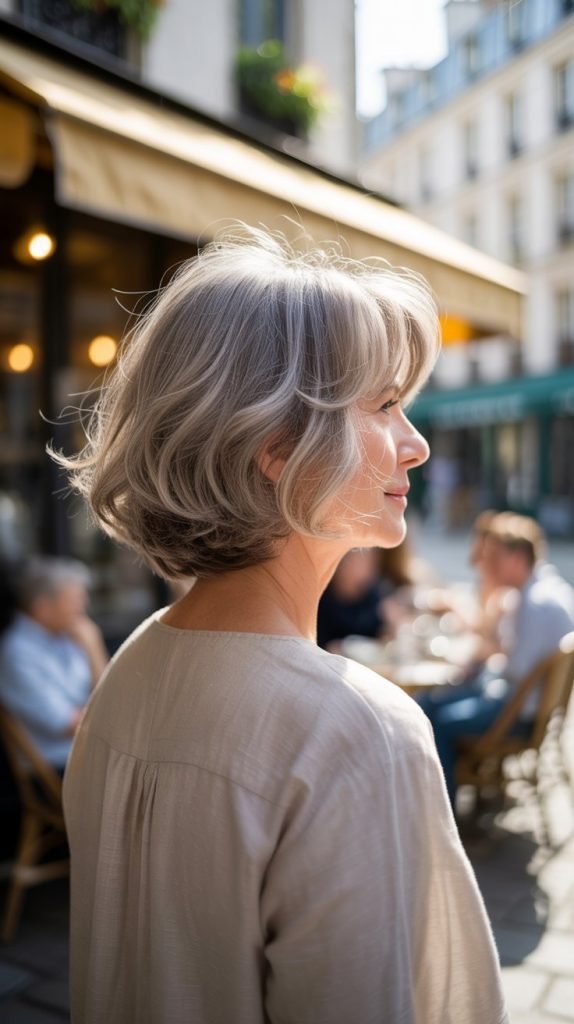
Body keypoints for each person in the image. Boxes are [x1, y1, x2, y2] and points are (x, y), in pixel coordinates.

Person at [55, 228, 508, 1024]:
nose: (417, 443)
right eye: (386, 404)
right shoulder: (356, 731)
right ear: (277, 442)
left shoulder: (134, 665)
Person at [420, 513, 574, 804]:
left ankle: (444, 808)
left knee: (433, 717)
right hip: (531, 707)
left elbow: (515, 669)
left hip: (517, 715)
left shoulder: (536, 603)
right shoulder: (547, 590)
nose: (488, 566)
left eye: (495, 558)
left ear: (516, 558)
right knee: (435, 700)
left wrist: (483, 665)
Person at [0, 557, 108, 771]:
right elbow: (67, 725)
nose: (83, 607)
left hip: (90, 752)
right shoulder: (18, 651)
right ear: (43, 607)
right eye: (75, 599)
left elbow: (107, 698)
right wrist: (94, 650)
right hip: (61, 765)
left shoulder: (66, 636)